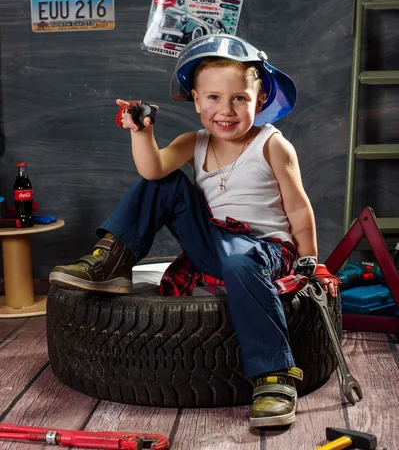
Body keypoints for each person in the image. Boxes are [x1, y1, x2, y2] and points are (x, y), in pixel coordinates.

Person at [50, 33, 339, 428]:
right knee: (163, 183)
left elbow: (298, 207)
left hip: (263, 250)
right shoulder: (193, 141)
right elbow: (152, 170)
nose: (226, 109)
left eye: (239, 98)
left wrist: (310, 261)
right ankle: (112, 260)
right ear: (197, 100)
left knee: (241, 260)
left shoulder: (272, 145)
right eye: (214, 98)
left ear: (259, 100)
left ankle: (273, 375)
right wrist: (142, 132)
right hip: (211, 242)